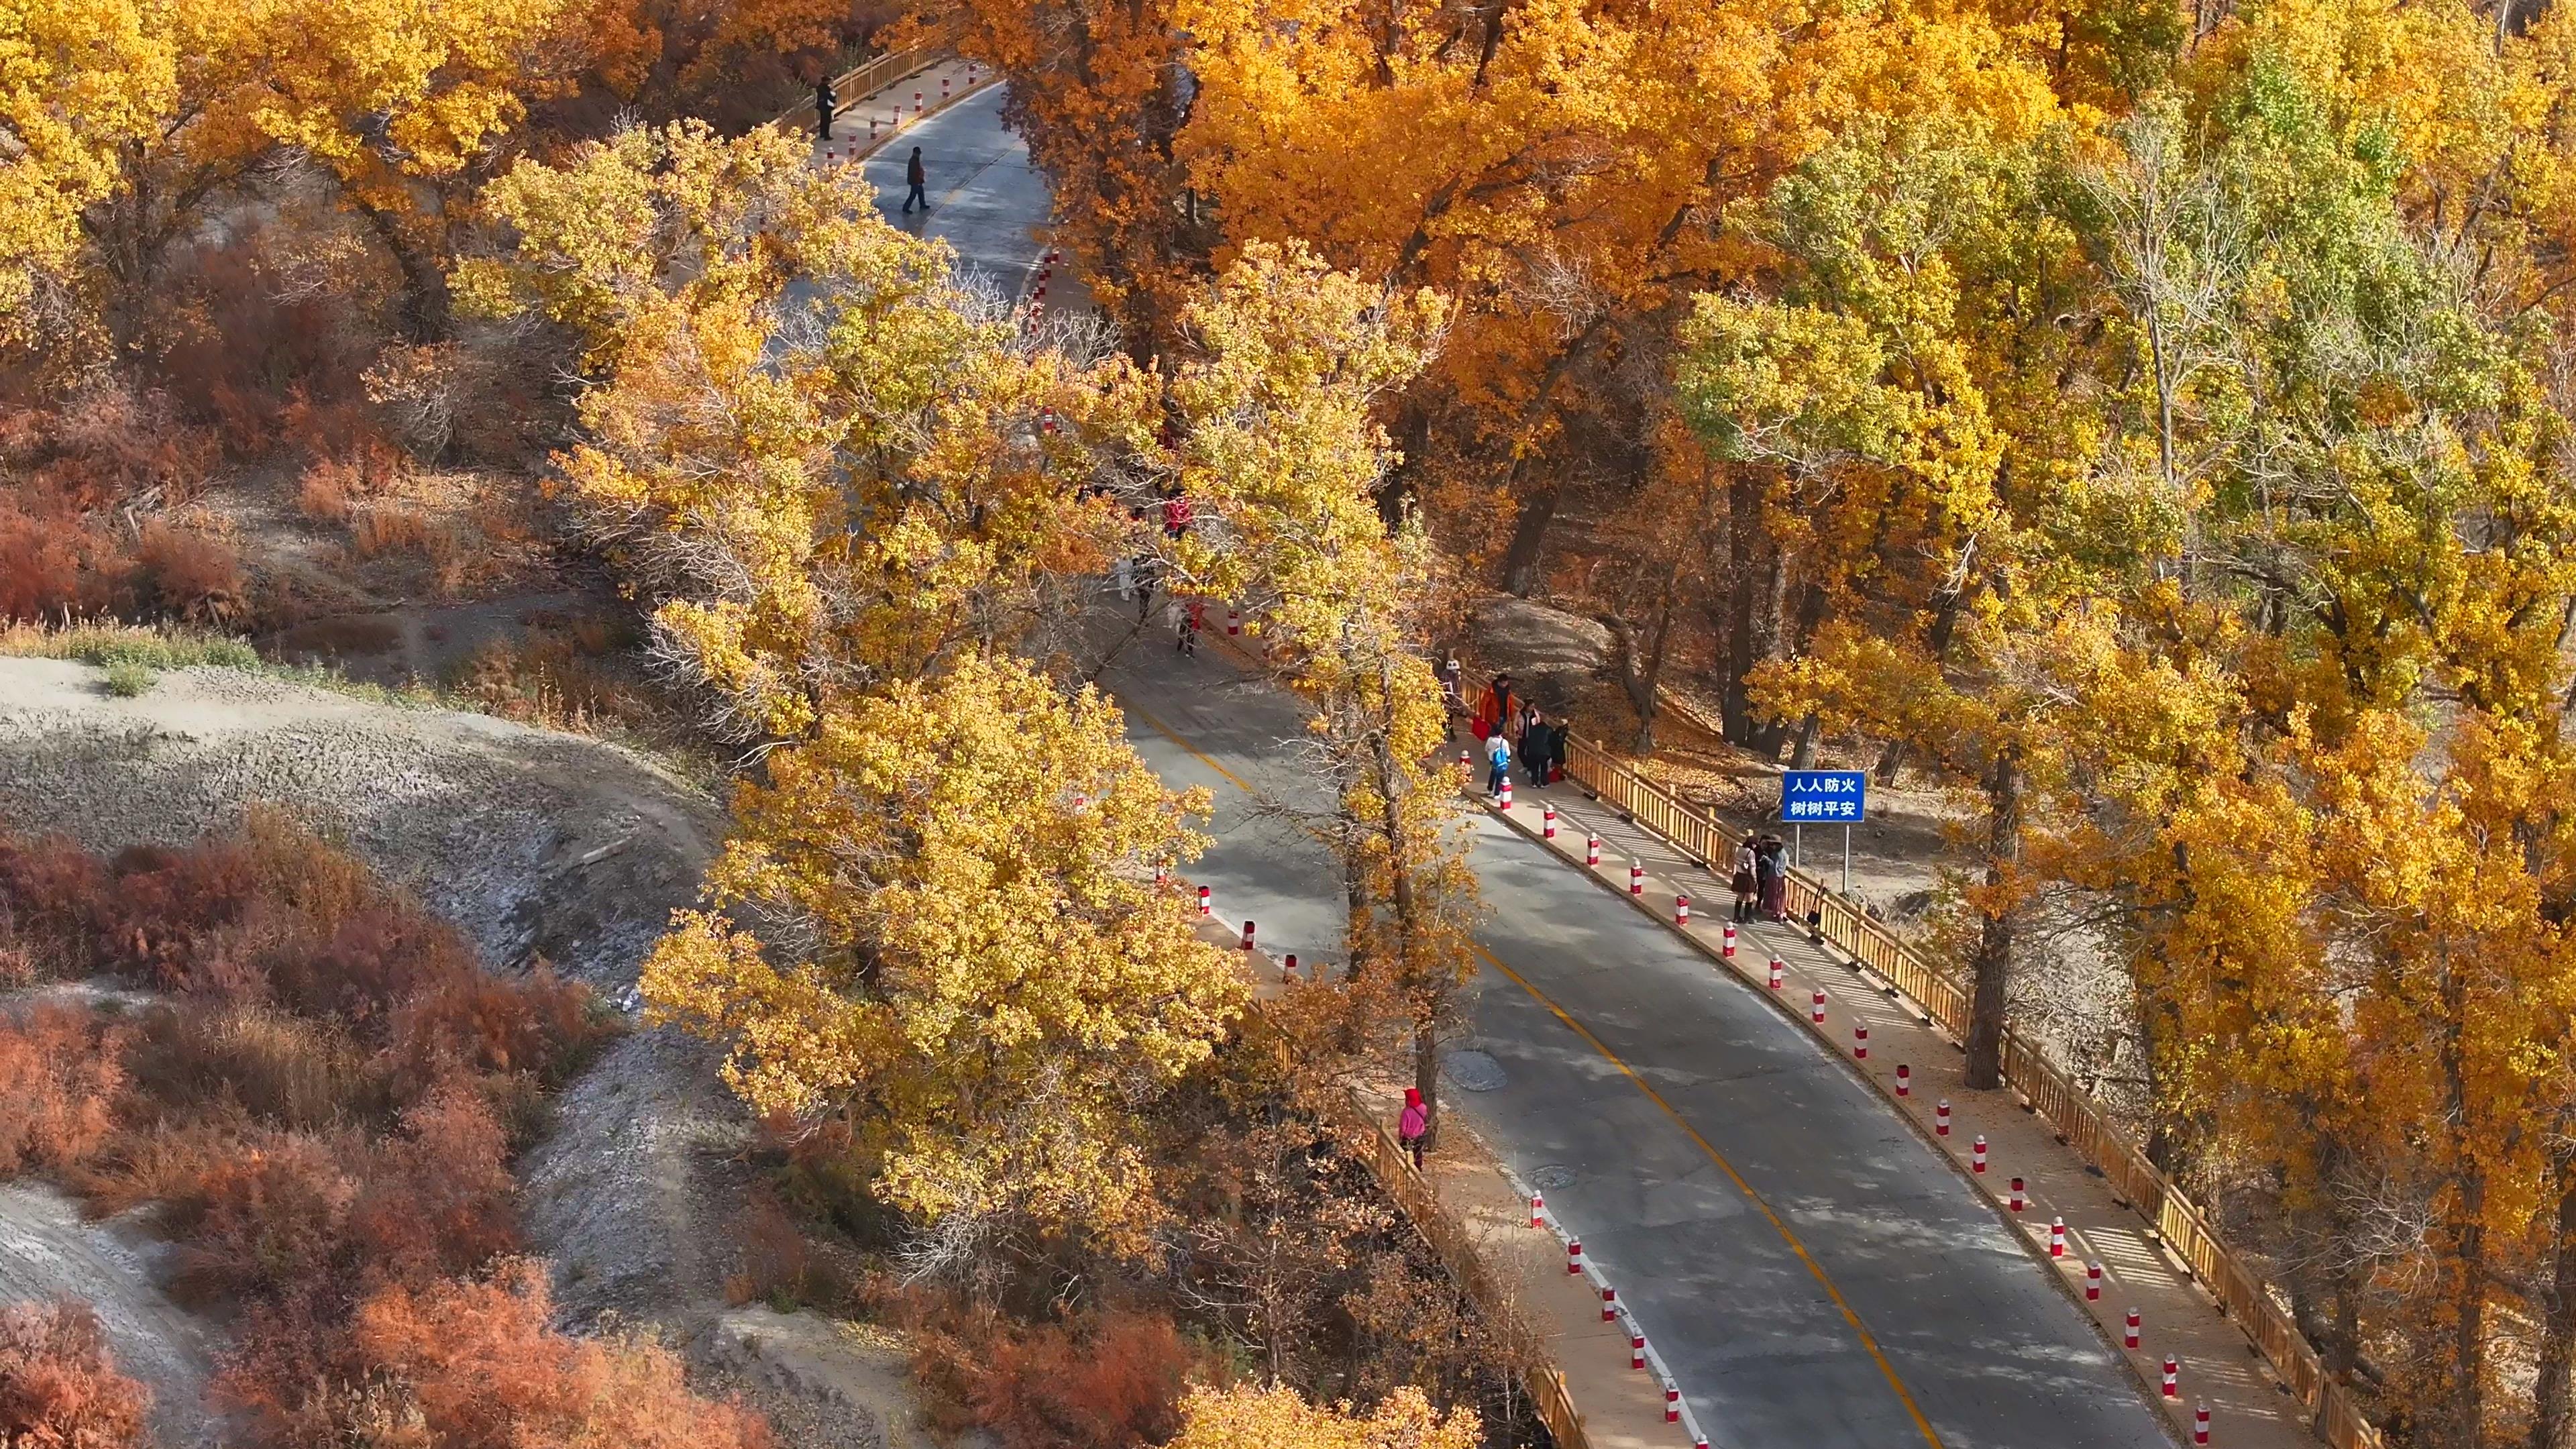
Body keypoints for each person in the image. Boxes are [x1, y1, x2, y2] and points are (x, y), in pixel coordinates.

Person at [1474, 673, 1517, 745]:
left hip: (1504, 715)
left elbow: (1510, 703)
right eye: (1504, 683)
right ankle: (1492, 746)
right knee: (1493, 733)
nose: (1505, 685)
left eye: (1506, 683)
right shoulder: (1491, 691)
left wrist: (1512, 715)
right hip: (1493, 716)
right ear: (1499, 682)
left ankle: (1498, 746)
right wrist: (1483, 717)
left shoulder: (1508, 690)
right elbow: (1483, 704)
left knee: (1500, 732)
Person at [1756, 835, 1788, 921]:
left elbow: (1775, 865)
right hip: (1777, 875)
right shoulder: (1782, 852)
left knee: (1775, 895)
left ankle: (1777, 912)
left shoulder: (1779, 854)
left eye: (1773, 845)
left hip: (1776, 876)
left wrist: (1766, 859)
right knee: (1776, 895)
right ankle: (1775, 912)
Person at [1397, 1087, 1429, 1169]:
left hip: (1408, 1136)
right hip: (1420, 1134)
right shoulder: (1423, 1107)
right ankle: (1418, 1167)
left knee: (1404, 1151)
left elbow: (1403, 1127)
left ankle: (1405, 1166)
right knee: (1418, 1152)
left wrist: (1401, 1136)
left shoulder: (1406, 1112)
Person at [1731, 834, 1759, 922]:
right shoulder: (1751, 853)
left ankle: (1736, 917)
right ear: (1752, 844)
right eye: (1755, 844)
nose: (1755, 846)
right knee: (1750, 897)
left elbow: (1735, 860)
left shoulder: (1739, 850)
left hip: (1739, 875)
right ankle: (1748, 917)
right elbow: (1753, 868)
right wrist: (1755, 880)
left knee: (1740, 897)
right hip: (1748, 878)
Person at [1485, 728, 1512, 797]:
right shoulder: (1504, 742)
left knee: (1492, 776)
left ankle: (1489, 789)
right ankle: (1497, 793)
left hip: (1492, 761)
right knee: (1500, 778)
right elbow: (1508, 753)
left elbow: (1486, 749)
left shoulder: (1490, 739)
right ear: (1501, 733)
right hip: (1501, 763)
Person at [902, 146, 928, 213]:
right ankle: (906, 208)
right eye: (918, 153)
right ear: (915, 153)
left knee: (921, 193)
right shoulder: (913, 161)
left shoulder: (916, 160)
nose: (919, 155)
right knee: (913, 195)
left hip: (918, 180)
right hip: (915, 181)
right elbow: (914, 172)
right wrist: (918, 179)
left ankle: (922, 205)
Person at [815, 77, 837, 141]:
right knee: (826, 121)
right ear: (825, 81)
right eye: (828, 81)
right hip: (826, 106)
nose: (829, 82)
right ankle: (826, 136)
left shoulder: (820, 87)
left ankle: (822, 134)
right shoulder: (824, 88)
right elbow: (828, 95)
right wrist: (834, 100)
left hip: (822, 105)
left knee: (823, 120)